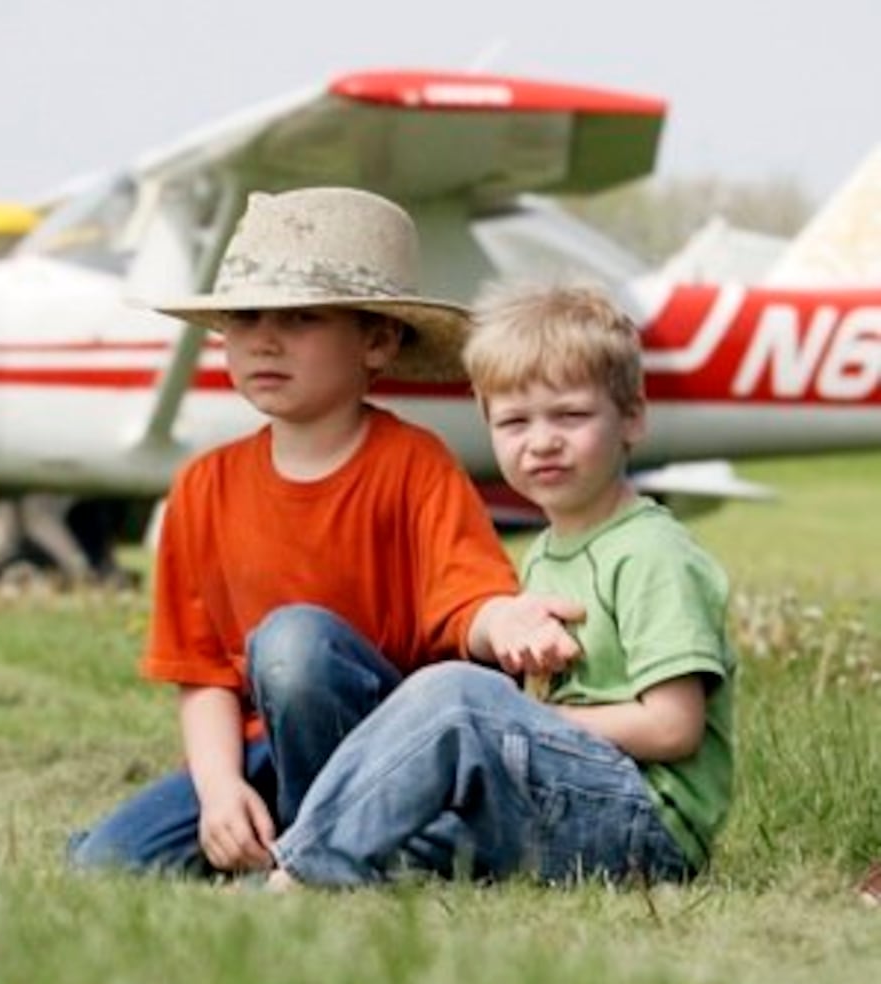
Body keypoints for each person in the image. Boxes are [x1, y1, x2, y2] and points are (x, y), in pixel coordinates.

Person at [67, 188, 582, 877]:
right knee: (107, 862)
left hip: (392, 748)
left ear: (377, 339)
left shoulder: (414, 465)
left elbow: (467, 602)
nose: (265, 340)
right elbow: (203, 675)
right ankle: (322, 842)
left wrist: (509, 621)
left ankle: (328, 855)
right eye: (245, 318)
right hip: (266, 753)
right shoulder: (202, 487)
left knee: (292, 644)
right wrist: (220, 792)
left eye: (301, 317)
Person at [266, 284, 737, 888]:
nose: (542, 440)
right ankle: (319, 856)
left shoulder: (652, 553)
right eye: (515, 421)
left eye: (570, 415)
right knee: (407, 834)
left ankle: (299, 871)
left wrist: (519, 719)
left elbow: (674, 728)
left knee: (456, 695)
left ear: (633, 418)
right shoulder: (545, 554)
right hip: (564, 797)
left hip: (646, 826)